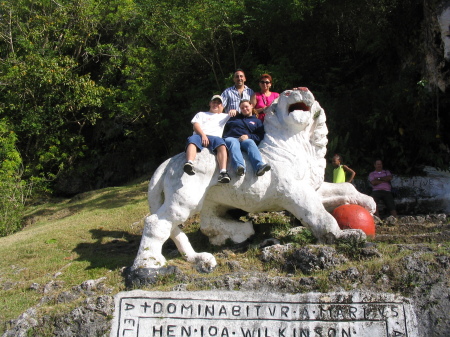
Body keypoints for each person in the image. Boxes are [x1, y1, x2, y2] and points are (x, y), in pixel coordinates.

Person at [184, 95, 232, 183]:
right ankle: (189, 163)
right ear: (210, 103)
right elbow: (196, 125)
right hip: (200, 135)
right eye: (214, 102)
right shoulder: (201, 114)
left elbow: (237, 113)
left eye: (218, 103)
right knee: (192, 141)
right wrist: (203, 135)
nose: (215, 104)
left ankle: (223, 173)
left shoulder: (224, 116)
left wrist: (234, 111)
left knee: (222, 146)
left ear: (221, 106)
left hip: (215, 137)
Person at [222, 99, 271, 177]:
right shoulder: (234, 118)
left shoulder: (257, 121)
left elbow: (260, 135)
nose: (244, 109)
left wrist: (249, 136)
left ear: (251, 105)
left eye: (246, 106)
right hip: (231, 138)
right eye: (242, 108)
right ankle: (239, 167)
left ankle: (259, 167)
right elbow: (224, 128)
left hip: (245, 141)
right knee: (233, 142)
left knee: (250, 142)